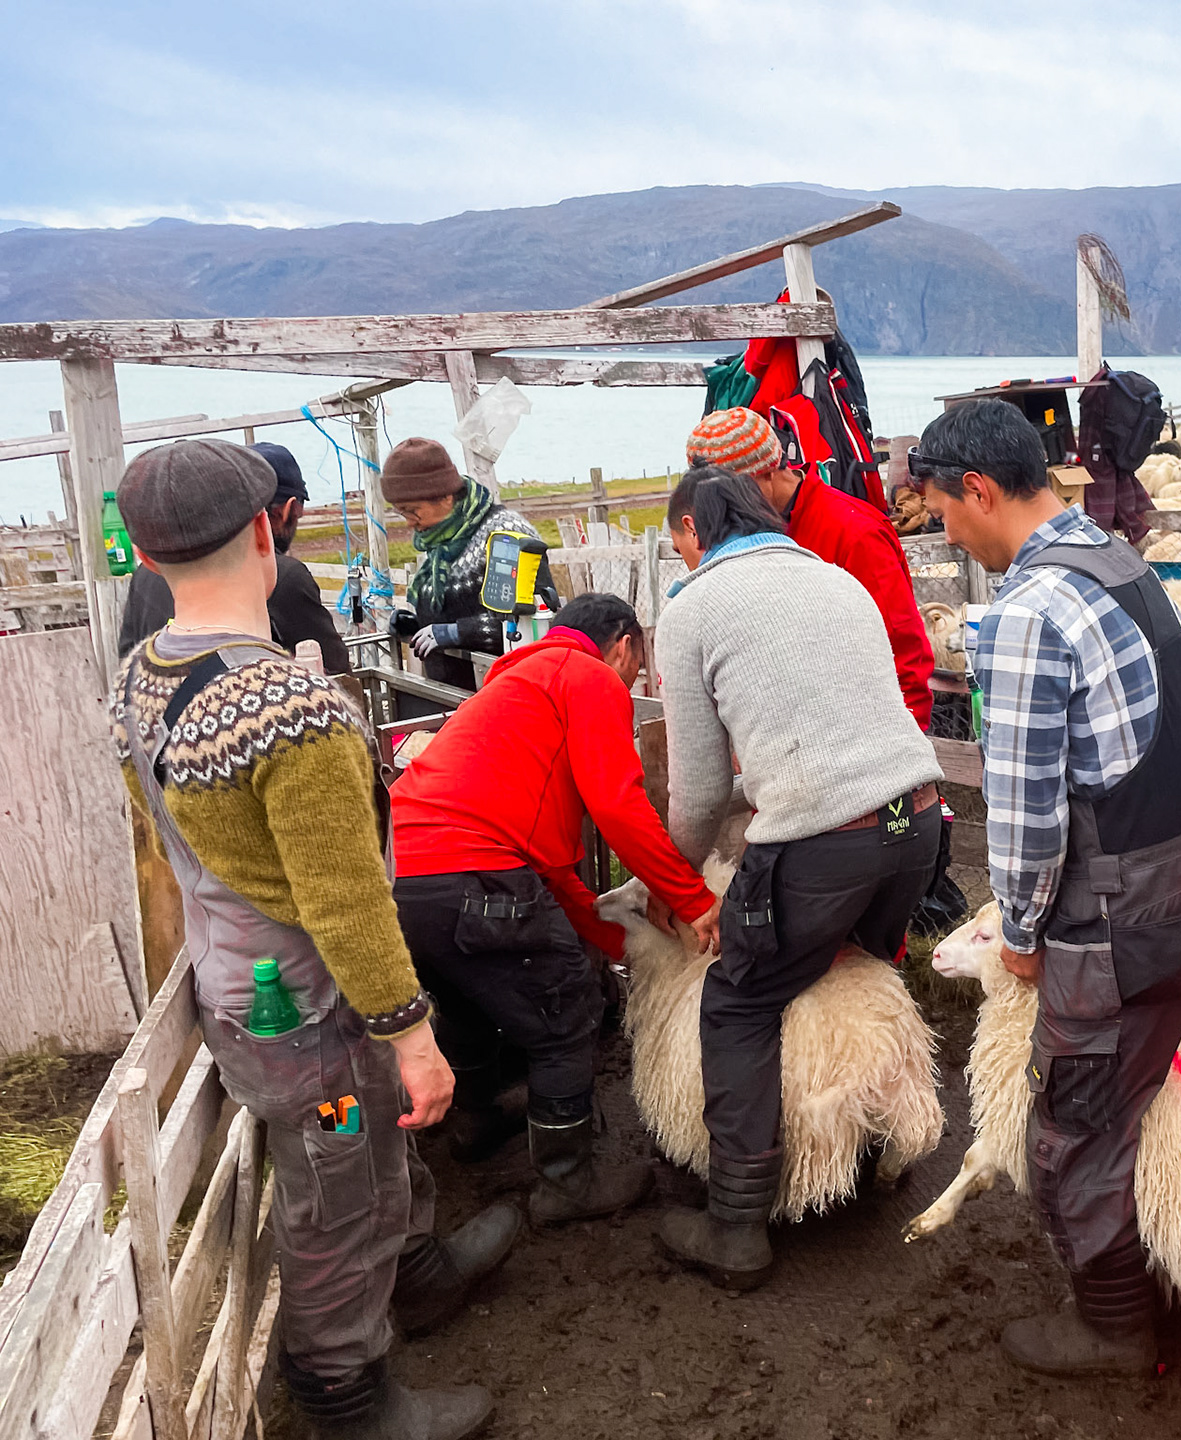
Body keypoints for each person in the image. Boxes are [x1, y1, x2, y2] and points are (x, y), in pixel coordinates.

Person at [109, 439, 520, 1440]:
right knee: (340, 1186)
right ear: (265, 529)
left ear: (150, 559)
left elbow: (168, 836)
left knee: (367, 1155)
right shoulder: (290, 709)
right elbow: (343, 906)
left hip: (235, 982)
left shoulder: (141, 678)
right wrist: (413, 1035)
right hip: (313, 1013)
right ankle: (346, 1392)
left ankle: (415, 1274)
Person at [916, 399, 1181, 1378]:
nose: (943, 529)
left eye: (940, 509)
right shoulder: (1114, 562)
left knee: (1070, 1120)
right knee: (1138, 1084)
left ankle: (1113, 1323)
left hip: (1122, 913)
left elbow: (1023, 817)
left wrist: (1019, 930)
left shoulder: (1025, 615)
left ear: (978, 490)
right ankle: (1168, 1251)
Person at [651, 467, 943, 1290]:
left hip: (824, 840)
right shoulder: (833, 577)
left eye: (677, 544)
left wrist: (679, 874)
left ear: (690, 532)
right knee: (855, 972)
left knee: (739, 1001)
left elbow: (702, 789)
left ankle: (736, 1223)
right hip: (914, 820)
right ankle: (871, 1142)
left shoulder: (693, 607)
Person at [389, 593, 722, 1222]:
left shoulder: (515, 689)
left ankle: (477, 1120)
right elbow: (618, 804)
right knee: (568, 1008)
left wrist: (633, 949)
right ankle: (568, 1183)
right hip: (476, 869)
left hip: (403, 875)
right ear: (622, 644)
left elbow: (553, 875)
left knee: (465, 994)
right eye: (635, 667)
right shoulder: (588, 676)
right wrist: (692, 898)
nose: (631, 682)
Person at [686, 407, 934, 728]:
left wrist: (907, 742)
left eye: (731, 497)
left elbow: (901, 647)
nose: (724, 511)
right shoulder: (747, 530)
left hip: (863, 731)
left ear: (768, 472)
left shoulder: (854, 531)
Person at [118, 440, 352, 674]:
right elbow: (336, 671)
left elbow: (127, 653)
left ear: (144, 556)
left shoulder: (143, 576)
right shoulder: (287, 577)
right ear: (264, 526)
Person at [382, 437, 538, 695]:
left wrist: (457, 633)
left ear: (444, 496)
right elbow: (452, 611)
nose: (409, 522)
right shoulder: (441, 541)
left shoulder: (506, 535)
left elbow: (530, 627)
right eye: (401, 512)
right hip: (453, 698)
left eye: (412, 510)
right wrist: (418, 626)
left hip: (505, 698)